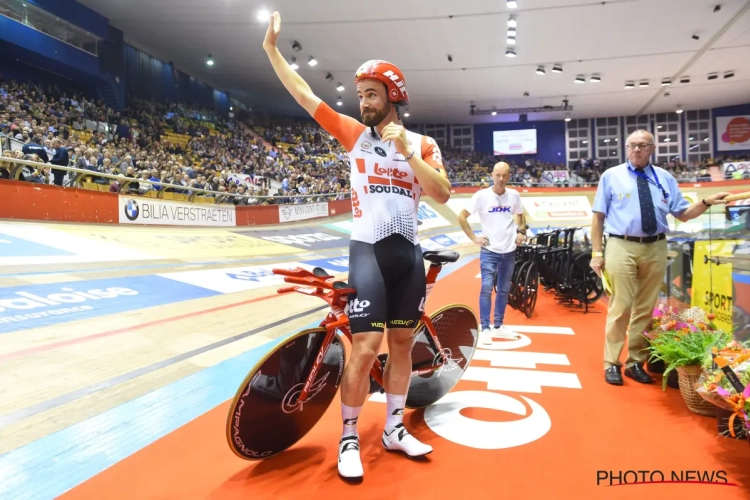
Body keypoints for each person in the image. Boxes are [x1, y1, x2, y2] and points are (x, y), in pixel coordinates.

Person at [262, 12, 452, 479]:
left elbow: (443, 193)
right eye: (361, 95)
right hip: (367, 252)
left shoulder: (423, 144)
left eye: (372, 94)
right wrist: (271, 51)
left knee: (403, 343)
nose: (363, 102)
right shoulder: (352, 135)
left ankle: (392, 429)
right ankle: (349, 436)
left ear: (394, 96)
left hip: (406, 255)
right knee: (365, 346)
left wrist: (406, 150)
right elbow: (306, 97)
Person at [590, 129, 730, 386]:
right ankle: (611, 362)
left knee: (644, 308)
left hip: (656, 246)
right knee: (620, 306)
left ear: (652, 148)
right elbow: (598, 217)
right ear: (626, 147)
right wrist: (597, 253)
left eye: (642, 145)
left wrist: (706, 201)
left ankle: (635, 362)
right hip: (621, 244)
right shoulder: (611, 176)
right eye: (632, 145)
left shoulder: (664, 178)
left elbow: (683, 214)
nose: (636, 150)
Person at [457, 162, 524, 345]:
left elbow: (520, 214)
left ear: (509, 176)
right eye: (498, 175)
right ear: (492, 175)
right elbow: (461, 217)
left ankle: (499, 325)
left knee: (503, 290)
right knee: (486, 287)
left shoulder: (514, 195)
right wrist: (474, 238)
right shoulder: (481, 196)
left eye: (504, 176)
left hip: (509, 250)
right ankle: (485, 327)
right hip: (489, 250)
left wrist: (521, 231)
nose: (501, 179)